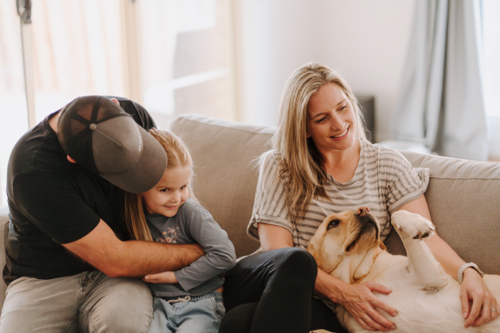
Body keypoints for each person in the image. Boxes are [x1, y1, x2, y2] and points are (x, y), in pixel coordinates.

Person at [219, 63, 499, 333]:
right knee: (298, 260)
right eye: (322, 118)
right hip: (266, 278)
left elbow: (426, 237)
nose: (339, 123)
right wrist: (344, 293)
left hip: (324, 306)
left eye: (343, 108)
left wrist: (468, 273)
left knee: (237, 322)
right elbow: (276, 252)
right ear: (304, 128)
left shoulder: (387, 164)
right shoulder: (280, 165)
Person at [1, 96, 204, 333]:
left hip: (119, 279)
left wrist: (202, 234)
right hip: (44, 280)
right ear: (73, 159)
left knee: (123, 326)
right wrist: (199, 251)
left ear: (116, 105)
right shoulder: (32, 170)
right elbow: (115, 259)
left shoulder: (135, 113)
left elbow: (172, 187)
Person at [123, 128, 236, 333]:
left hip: (201, 303)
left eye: (183, 187)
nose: (176, 198)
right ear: (140, 186)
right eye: (165, 190)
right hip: (159, 306)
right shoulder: (132, 219)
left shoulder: (190, 211)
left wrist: (176, 277)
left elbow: (225, 255)